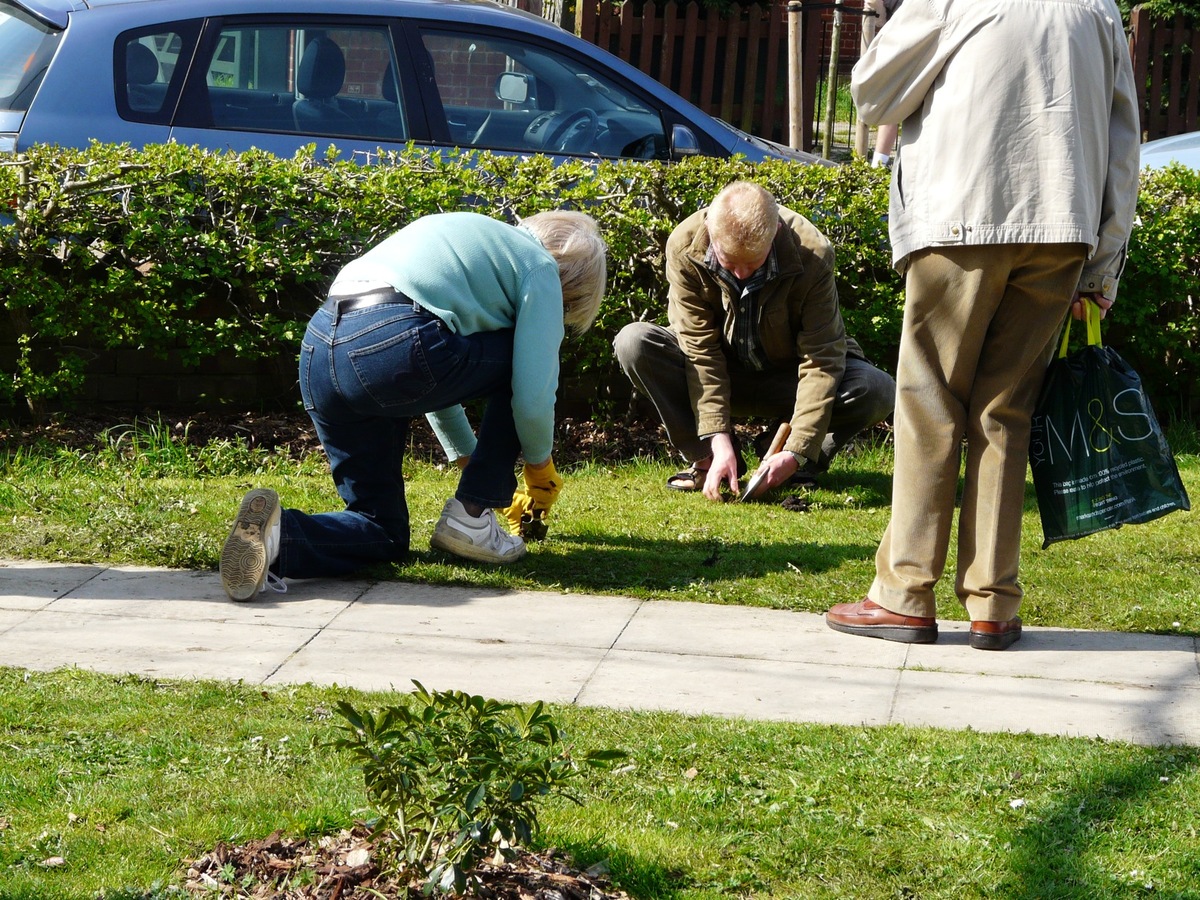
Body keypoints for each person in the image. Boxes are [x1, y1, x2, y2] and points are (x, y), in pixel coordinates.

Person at [826, 0, 1140, 649]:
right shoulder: (1099, 8)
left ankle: (906, 594)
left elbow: (871, 93)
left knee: (929, 404)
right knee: (1006, 414)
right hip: (1063, 226)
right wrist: (1103, 266)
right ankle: (993, 602)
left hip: (959, 215)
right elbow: (1123, 140)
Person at [218, 210, 607, 601]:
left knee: (382, 530)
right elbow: (532, 390)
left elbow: (432, 378)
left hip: (319, 351)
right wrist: (539, 470)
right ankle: (472, 520)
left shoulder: (473, 240)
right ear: (570, 282)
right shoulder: (538, 265)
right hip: (393, 339)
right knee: (522, 360)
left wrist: (472, 463)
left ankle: (277, 536)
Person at [613, 181, 896, 501]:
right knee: (634, 342)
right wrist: (717, 439)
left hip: (789, 380)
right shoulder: (685, 245)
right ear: (710, 231)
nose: (742, 275)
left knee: (876, 389)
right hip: (721, 375)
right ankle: (707, 459)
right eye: (730, 264)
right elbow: (700, 351)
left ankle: (796, 461)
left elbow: (821, 358)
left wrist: (797, 449)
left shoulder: (813, 254)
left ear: (774, 233)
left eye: (754, 264)